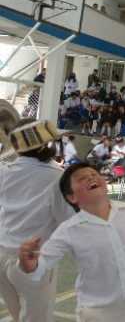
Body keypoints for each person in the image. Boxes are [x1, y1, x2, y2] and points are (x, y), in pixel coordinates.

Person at [18, 163, 125, 321]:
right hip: (94, 312)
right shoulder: (69, 229)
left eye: (94, 174)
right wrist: (28, 265)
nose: (91, 177)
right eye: (81, 179)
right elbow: (41, 263)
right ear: (72, 197)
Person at [0, 120, 75, 322]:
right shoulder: (57, 177)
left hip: (2, 252)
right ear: (45, 145)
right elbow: (67, 219)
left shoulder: (4, 171)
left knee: (17, 314)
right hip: (34, 259)